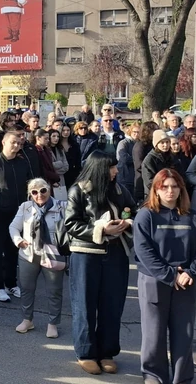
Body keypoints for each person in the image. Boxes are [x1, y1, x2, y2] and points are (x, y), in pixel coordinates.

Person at [64, 150, 137, 376]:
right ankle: (85, 353)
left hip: (116, 253)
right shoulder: (78, 190)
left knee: (112, 305)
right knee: (84, 305)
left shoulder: (119, 189)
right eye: (112, 167)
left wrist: (126, 223)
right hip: (86, 254)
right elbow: (71, 223)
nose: (116, 171)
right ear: (100, 168)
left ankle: (107, 352)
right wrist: (101, 229)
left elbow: (131, 211)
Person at [135, 168, 196, 384]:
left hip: (186, 282)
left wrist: (190, 272)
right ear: (156, 190)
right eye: (164, 186)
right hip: (154, 281)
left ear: (181, 189)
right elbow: (143, 251)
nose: (170, 191)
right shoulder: (146, 215)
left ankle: (182, 378)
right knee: (154, 335)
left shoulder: (193, 216)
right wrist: (170, 274)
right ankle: (154, 375)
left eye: (174, 186)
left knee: (183, 335)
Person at [0, 131, 34, 302]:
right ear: (4, 142)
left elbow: (30, 183)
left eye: (19, 143)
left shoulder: (22, 163)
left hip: (17, 214)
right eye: (13, 142)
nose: (16, 146)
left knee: (13, 250)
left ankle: (11, 283)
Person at [8, 178, 65, 339]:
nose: (39, 195)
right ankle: (27, 320)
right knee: (26, 289)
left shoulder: (62, 206)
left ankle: (53, 323)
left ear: (49, 190)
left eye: (43, 190)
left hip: (52, 254)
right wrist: (18, 241)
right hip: (28, 253)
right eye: (34, 192)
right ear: (30, 194)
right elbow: (13, 227)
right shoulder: (25, 207)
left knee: (54, 291)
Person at [142, 130, 179, 195]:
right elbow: (149, 181)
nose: (165, 145)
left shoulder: (172, 157)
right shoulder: (149, 159)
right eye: (162, 143)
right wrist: (163, 190)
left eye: (167, 142)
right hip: (155, 194)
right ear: (156, 144)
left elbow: (180, 174)